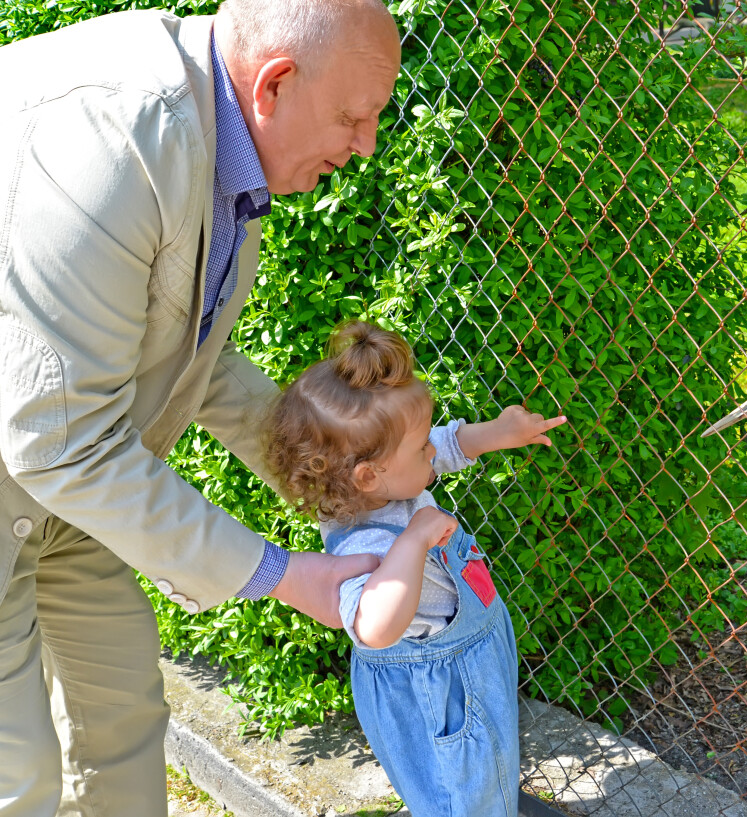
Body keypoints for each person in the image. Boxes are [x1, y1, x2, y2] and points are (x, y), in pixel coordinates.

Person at [0, 1, 401, 814]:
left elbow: (192, 359)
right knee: (18, 777)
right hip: (55, 456)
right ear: (276, 84)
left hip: (75, 485)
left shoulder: (223, 152)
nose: (364, 146)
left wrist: (338, 476)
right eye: (353, 118)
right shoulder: (121, 145)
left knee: (122, 727)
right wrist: (288, 576)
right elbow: (56, 444)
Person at [262, 321, 567, 817]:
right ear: (368, 474)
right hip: (440, 691)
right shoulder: (365, 542)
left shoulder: (384, 482)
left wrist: (498, 433)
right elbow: (374, 627)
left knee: (490, 781)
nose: (434, 450)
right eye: (421, 445)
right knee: (465, 799)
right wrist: (415, 539)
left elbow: (443, 448)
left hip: (470, 661)